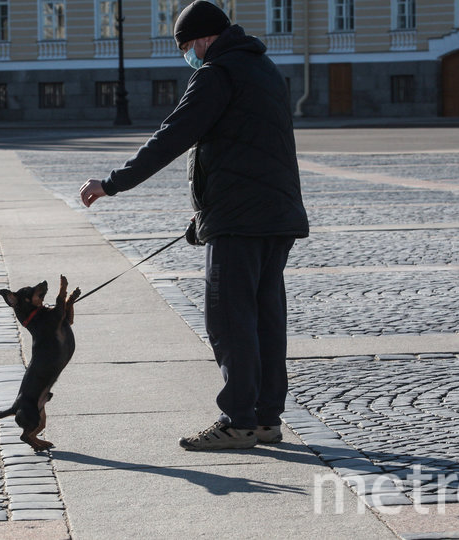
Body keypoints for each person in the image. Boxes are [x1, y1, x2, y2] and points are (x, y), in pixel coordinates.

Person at [79, 0, 309, 451]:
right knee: (265, 319)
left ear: (203, 39)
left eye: (187, 47)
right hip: (275, 214)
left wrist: (112, 183)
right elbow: (248, 149)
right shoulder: (263, 68)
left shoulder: (216, 72)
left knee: (229, 319)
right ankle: (265, 418)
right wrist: (207, 211)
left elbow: (174, 134)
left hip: (241, 220)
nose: (189, 57)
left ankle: (238, 421)